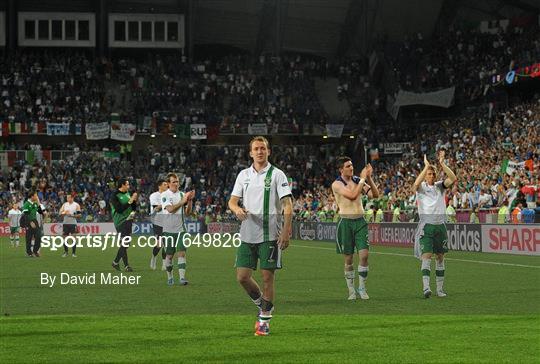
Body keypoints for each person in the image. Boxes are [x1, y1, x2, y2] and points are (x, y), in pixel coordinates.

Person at [228, 136, 293, 336]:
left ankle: (264, 321)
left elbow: (288, 205)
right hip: (247, 233)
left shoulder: (277, 175)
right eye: (256, 149)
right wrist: (236, 209)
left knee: (267, 278)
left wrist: (285, 231)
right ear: (250, 153)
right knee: (242, 277)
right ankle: (263, 304)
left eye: (263, 148)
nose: (259, 151)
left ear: (268, 151)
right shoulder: (243, 175)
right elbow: (232, 201)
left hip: (270, 235)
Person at [331, 158, 379, 300]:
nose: (351, 168)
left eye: (352, 165)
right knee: (349, 259)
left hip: (360, 222)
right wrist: (363, 178)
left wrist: (369, 178)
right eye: (348, 166)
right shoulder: (337, 184)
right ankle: (351, 290)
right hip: (345, 223)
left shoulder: (359, 180)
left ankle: (362, 288)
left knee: (364, 256)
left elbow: (375, 195)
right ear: (341, 169)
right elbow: (352, 196)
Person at [413, 151, 457, 298]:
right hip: (427, 225)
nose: (431, 176)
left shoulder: (440, 186)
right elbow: (415, 185)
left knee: (440, 257)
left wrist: (443, 164)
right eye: (429, 174)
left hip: (440, 226)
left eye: (433, 174)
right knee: (426, 256)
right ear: (425, 175)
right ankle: (426, 288)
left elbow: (453, 178)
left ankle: (439, 289)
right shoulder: (421, 188)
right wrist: (426, 167)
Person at [161, 173, 195, 285]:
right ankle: (170, 277)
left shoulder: (182, 194)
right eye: (174, 182)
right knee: (169, 256)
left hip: (181, 229)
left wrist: (189, 201)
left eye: (177, 182)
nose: (176, 184)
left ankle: (182, 278)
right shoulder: (164, 195)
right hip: (168, 230)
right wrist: (183, 201)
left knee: (181, 253)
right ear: (168, 184)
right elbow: (170, 209)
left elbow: (188, 213)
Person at [110, 178, 138, 272]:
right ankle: (121, 264)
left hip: (128, 220)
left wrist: (134, 203)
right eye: (127, 184)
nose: (129, 186)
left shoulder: (127, 193)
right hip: (120, 221)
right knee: (125, 243)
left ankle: (120, 264)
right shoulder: (114, 195)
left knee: (125, 244)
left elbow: (133, 206)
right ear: (122, 185)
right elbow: (119, 209)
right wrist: (130, 200)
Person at [149, 179, 169, 270]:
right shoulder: (154, 195)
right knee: (159, 244)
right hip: (157, 221)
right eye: (165, 184)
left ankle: (164, 263)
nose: (167, 186)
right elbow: (156, 208)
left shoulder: (169, 196)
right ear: (159, 186)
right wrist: (166, 205)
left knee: (167, 244)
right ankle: (154, 257)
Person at [22, 191, 45, 257]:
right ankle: (29, 252)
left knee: (38, 236)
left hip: (35, 221)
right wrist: (30, 222)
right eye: (36, 196)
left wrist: (38, 203)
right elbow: (25, 215)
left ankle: (35, 251)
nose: (37, 197)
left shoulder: (35, 203)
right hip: (28, 221)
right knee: (29, 238)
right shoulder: (26, 204)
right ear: (32, 196)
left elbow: (40, 212)